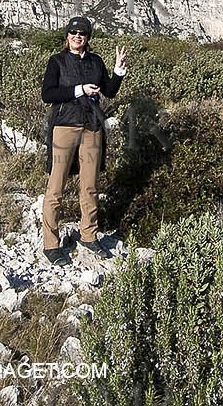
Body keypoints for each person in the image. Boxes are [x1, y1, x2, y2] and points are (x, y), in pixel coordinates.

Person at [40, 15, 127, 265]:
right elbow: (48, 94)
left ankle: (89, 235)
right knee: (56, 186)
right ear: (67, 36)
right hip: (65, 126)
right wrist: (79, 90)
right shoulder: (56, 61)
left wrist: (118, 71)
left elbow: (109, 91)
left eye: (82, 34)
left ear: (88, 38)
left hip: (91, 127)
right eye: (74, 33)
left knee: (90, 185)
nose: (78, 37)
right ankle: (51, 243)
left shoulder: (96, 62)